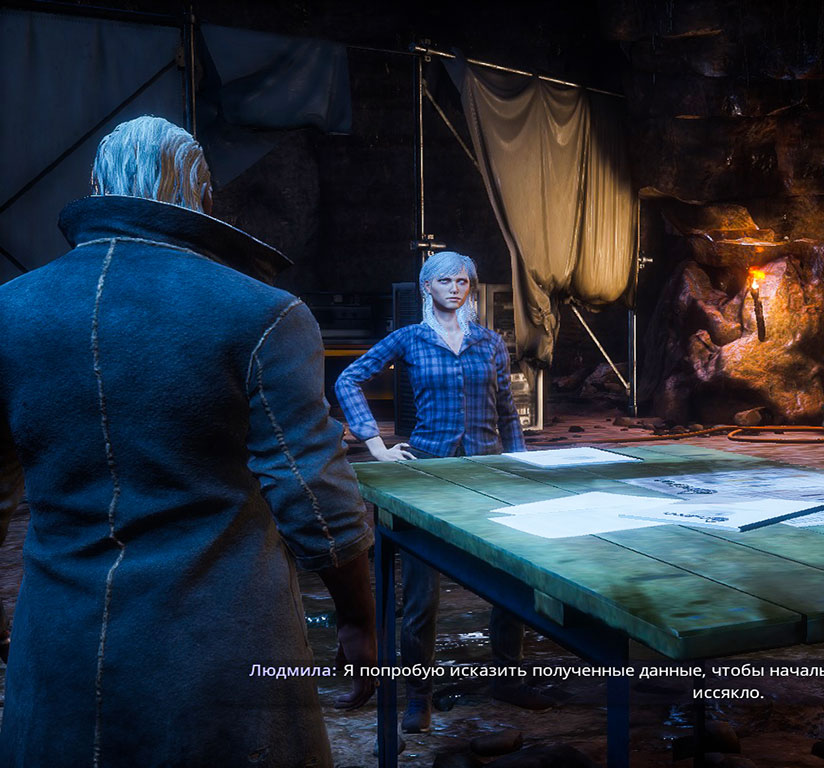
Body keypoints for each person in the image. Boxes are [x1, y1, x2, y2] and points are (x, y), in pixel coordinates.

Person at [0, 115, 376, 767]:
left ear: (95, 185)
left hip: (59, 640)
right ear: (201, 194)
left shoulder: (10, 309)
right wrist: (359, 617)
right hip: (220, 644)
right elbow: (314, 492)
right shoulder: (265, 313)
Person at [335, 249, 528, 733]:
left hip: (488, 471)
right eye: (444, 281)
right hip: (428, 472)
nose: (454, 288)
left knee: (512, 577)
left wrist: (523, 465)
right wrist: (375, 445)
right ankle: (417, 695)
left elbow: (507, 411)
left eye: (462, 281)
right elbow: (349, 378)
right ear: (427, 287)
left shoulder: (489, 342)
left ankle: (508, 678)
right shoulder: (410, 339)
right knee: (422, 593)